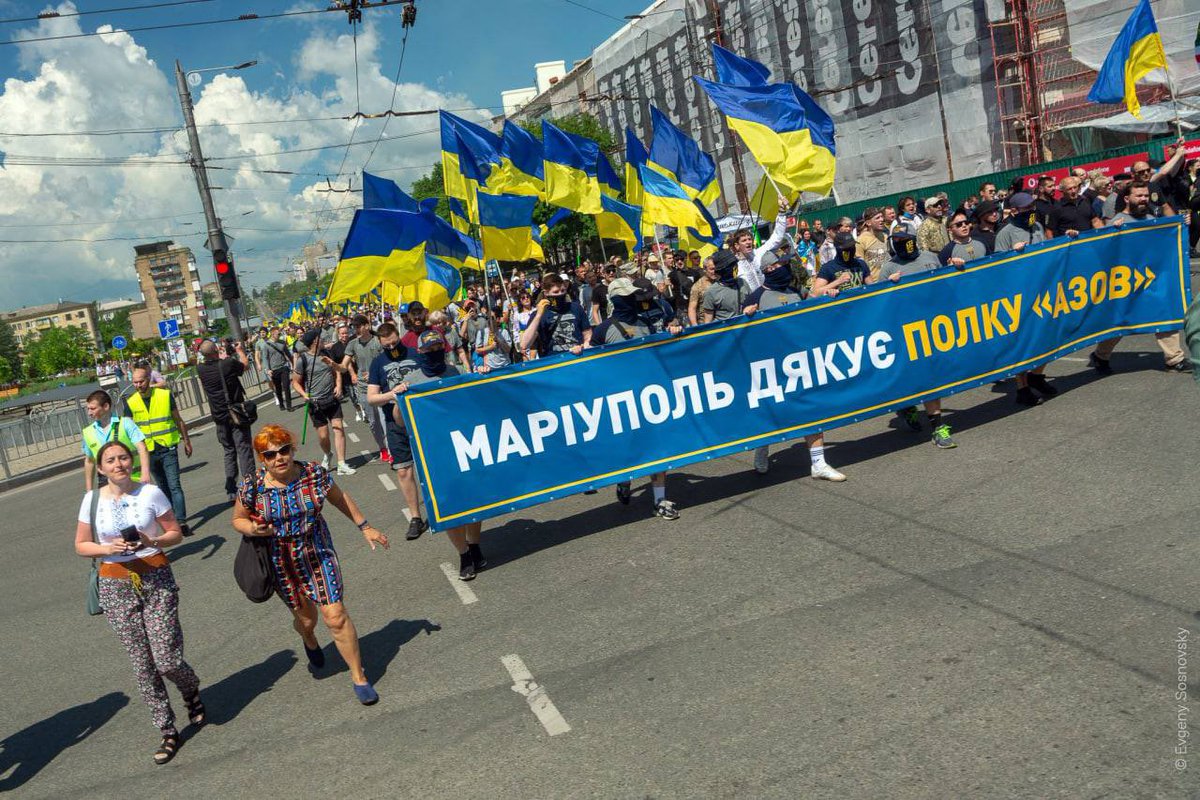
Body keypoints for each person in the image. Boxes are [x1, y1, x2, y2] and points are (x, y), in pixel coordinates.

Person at [231, 424, 389, 706]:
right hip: (281, 559)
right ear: (262, 459)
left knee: (336, 615)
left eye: (283, 450)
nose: (279, 458)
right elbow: (238, 519)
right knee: (307, 619)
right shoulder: (252, 485)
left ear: (292, 450)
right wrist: (253, 530)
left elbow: (340, 498)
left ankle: (359, 677)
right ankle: (309, 638)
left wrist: (365, 526)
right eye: (270, 455)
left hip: (317, 549)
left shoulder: (313, 473)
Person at [76, 440, 202, 765]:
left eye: (123, 458)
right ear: (101, 469)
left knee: (166, 659)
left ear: (130, 462)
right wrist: (107, 548)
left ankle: (190, 688)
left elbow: (175, 532)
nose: (118, 464)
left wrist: (153, 540)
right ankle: (167, 730)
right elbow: (81, 545)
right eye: (110, 460)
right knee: (142, 663)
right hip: (115, 583)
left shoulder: (150, 493)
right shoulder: (91, 501)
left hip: (155, 575)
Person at [740, 253, 847, 479]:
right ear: (769, 269)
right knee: (772, 413)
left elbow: (810, 307)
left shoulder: (794, 291)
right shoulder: (756, 297)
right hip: (771, 368)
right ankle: (763, 448)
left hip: (799, 363)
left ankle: (818, 463)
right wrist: (746, 316)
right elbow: (741, 336)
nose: (787, 268)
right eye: (782, 264)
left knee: (811, 408)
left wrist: (829, 292)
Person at [589, 277, 685, 518]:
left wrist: (673, 330)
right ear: (616, 300)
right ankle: (624, 478)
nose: (634, 300)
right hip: (620, 400)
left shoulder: (647, 321)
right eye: (628, 296)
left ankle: (660, 500)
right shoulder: (603, 330)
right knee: (629, 446)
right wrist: (578, 351)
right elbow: (586, 366)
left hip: (650, 395)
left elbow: (663, 346)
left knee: (658, 447)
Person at [1088, 180, 1191, 375]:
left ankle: (1174, 359)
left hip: (1151, 279)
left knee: (1164, 313)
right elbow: (1104, 253)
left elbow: (1166, 243)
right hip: (1127, 283)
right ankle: (1100, 356)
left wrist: (1181, 225)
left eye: (1145, 196)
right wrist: (1112, 232)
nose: (1144, 199)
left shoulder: (1152, 218)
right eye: (1139, 196)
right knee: (1121, 321)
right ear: (1127, 198)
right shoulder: (1118, 221)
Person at [878, 230, 958, 448]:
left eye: (908, 241)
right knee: (911, 377)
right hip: (904, 331)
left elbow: (945, 285)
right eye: (899, 242)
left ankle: (938, 427)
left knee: (930, 378)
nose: (905, 245)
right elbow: (878, 304)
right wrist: (888, 286)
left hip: (932, 327)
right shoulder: (889, 268)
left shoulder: (930, 258)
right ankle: (908, 406)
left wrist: (956, 267)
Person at [992, 193, 1057, 405]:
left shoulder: (1036, 226)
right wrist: (1013, 255)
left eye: (1032, 206)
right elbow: (999, 267)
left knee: (1049, 335)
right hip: (1019, 294)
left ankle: (1037, 376)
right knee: (1024, 342)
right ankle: (1022, 388)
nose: (1030, 210)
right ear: (1014, 210)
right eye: (1025, 207)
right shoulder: (1006, 232)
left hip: (1041, 289)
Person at [366, 322, 428, 541]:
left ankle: (442, 507)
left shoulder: (416, 354)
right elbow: (371, 398)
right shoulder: (377, 363)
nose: (392, 347)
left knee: (432, 465)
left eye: (394, 342)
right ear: (380, 344)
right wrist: (392, 394)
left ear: (398, 335)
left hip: (423, 418)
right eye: (386, 345)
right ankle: (415, 517)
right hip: (396, 424)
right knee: (403, 470)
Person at [122, 364, 193, 535]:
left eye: (141, 381)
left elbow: (178, 420)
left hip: (167, 446)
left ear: (149, 379)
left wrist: (187, 440)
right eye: (135, 382)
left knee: (174, 484)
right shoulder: (130, 402)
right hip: (148, 451)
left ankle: (181, 521)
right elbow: (126, 430)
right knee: (162, 487)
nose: (138, 385)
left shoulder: (164, 395)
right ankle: (172, 520)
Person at [196, 339, 256, 499]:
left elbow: (216, 364)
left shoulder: (200, 369)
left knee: (229, 451)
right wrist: (240, 352)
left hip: (219, 416)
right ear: (216, 350)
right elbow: (245, 366)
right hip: (236, 414)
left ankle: (231, 489)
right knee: (244, 449)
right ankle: (250, 487)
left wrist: (222, 357)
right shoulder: (227, 364)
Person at [292, 328, 356, 476]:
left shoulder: (327, 354)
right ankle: (328, 454)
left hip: (331, 399)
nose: (323, 339)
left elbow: (337, 371)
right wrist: (304, 394)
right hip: (315, 403)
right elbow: (295, 382)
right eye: (320, 338)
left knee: (338, 428)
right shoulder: (303, 360)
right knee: (323, 436)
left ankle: (341, 463)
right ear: (315, 341)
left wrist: (338, 385)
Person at [81, 389, 150, 491]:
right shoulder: (88, 432)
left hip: (132, 479)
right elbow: (89, 461)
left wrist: (145, 474)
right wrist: (89, 490)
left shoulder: (125, 423)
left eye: (93, 409)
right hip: (106, 484)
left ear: (106, 406)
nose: (89, 413)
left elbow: (142, 448)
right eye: (88, 409)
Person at [343, 314, 389, 463]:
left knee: (384, 419)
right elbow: (344, 365)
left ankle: (390, 448)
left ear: (367, 326)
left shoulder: (378, 341)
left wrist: (375, 372)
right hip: (363, 389)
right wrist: (333, 365)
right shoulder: (352, 344)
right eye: (354, 327)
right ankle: (382, 447)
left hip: (381, 386)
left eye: (358, 326)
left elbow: (387, 361)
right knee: (373, 422)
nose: (356, 329)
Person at [728, 193, 791, 291]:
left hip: (767, 296)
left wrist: (782, 212)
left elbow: (777, 237)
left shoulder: (758, 253)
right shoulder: (733, 265)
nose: (748, 242)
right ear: (737, 245)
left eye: (749, 239)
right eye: (744, 240)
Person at [520, 273, 592, 356]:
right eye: (555, 292)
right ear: (546, 293)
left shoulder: (576, 307)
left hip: (577, 357)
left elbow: (588, 335)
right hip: (554, 363)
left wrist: (584, 346)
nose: (560, 294)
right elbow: (524, 344)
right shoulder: (538, 314)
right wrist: (538, 315)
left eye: (562, 290)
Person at [811, 232, 872, 298]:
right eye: (847, 248)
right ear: (837, 248)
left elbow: (872, 287)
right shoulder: (828, 268)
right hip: (841, 306)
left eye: (852, 246)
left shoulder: (861, 263)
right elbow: (815, 293)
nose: (850, 249)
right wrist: (837, 282)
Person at [701, 249, 748, 322]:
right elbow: (708, 322)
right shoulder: (711, 292)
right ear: (722, 270)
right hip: (726, 332)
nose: (735, 268)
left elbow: (753, 304)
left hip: (745, 329)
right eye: (731, 266)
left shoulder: (742, 282)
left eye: (735, 264)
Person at [255, 326, 294, 412]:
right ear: (272, 334)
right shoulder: (266, 345)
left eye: (280, 334)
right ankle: (281, 403)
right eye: (278, 334)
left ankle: (289, 405)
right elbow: (265, 358)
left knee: (286, 386)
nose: (280, 335)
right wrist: (268, 369)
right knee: (278, 388)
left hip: (284, 367)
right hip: (274, 370)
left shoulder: (282, 343)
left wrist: (293, 364)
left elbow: (288, 355)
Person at [855, 207, 889, 280]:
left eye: (882, 217)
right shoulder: (861, 240)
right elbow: (860, 266)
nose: (882, 220)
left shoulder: (885, 236)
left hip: (890, 278)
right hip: (875, 283)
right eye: (877, 218)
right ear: (868, 223)